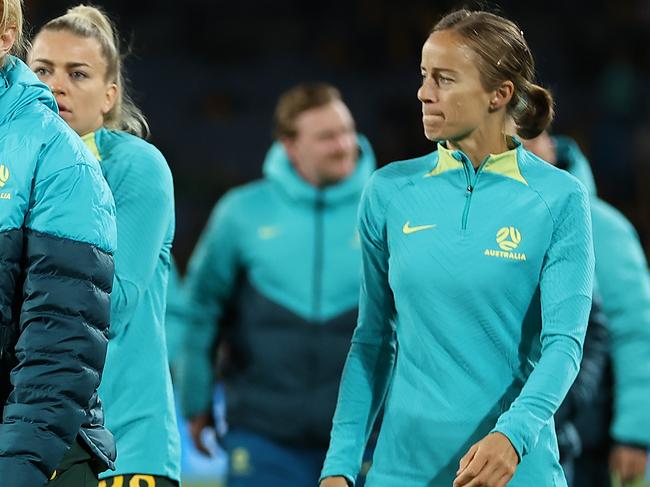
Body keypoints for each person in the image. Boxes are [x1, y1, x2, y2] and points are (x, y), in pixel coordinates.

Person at [320, 9, 595, 487]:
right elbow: (372, 341)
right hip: (400, 473)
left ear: (500, 93)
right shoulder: (389, 191)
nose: (425, 92)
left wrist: (513, 435)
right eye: (425, 76)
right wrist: (340, 465)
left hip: (514, 471)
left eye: (444, 79)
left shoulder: (559, 199)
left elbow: (565, 346)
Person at [178, 82, 376, 486]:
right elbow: (200, 310)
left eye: (347, 131)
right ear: (290, 146)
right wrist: (196, 400)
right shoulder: (241, 212)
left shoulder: (387, 209)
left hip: (364, 438)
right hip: (262, 434)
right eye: (326, 137)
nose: (344, 145)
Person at [29, 5, 181, 486]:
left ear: (109, 96)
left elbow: (111, 306)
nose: (57, 86)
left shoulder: (137, 168)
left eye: (78, 74)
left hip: (125, 446)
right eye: (43, 71)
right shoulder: (13, 170)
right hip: (37, 442)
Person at [0, 1, 117, 486]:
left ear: (5, 37)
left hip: (35, 452)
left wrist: (18, 465)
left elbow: (62, 339)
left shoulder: (58, 158)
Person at [524, 132, 650, 487]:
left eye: (533, 137)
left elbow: (637, 332)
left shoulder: (603, 227)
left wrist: (635, 434)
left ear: (550, 142)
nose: (527, 149)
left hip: (590, 440)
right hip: (537, 434)